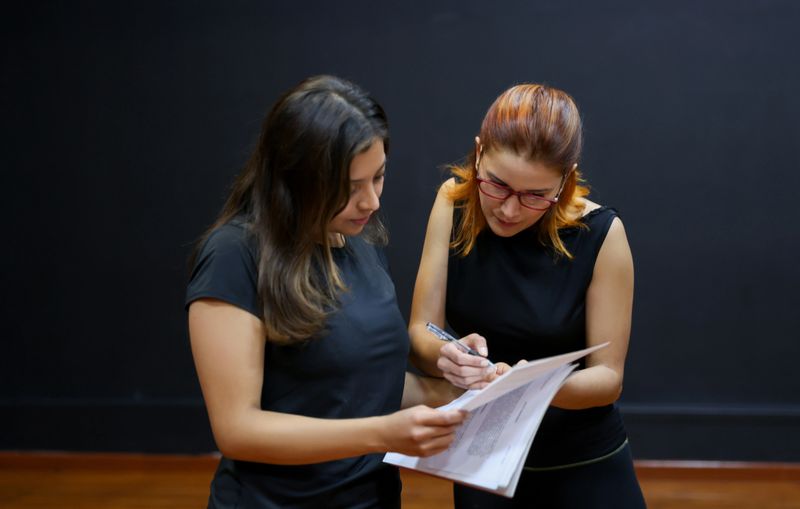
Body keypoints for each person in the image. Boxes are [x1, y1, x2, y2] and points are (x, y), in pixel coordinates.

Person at [186, 75, 465, 509]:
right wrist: (384, 432)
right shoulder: (233, 255)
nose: (371, 202)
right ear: (297, 178)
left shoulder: (357, 241)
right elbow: (237, 430)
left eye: (379, 177)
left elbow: (363, 386)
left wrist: (465, 392)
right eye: (351, 187)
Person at [408, 83, 646, 508]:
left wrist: (526, 385)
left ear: (566, 180)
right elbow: (421, 331)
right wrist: (448, 356)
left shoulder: (601, 235)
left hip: (582, 462)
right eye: (497, 185)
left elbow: (608, 379)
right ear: (479, 153)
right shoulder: (453, 201)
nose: (509, 209)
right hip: (483, 457)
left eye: (535, 195)